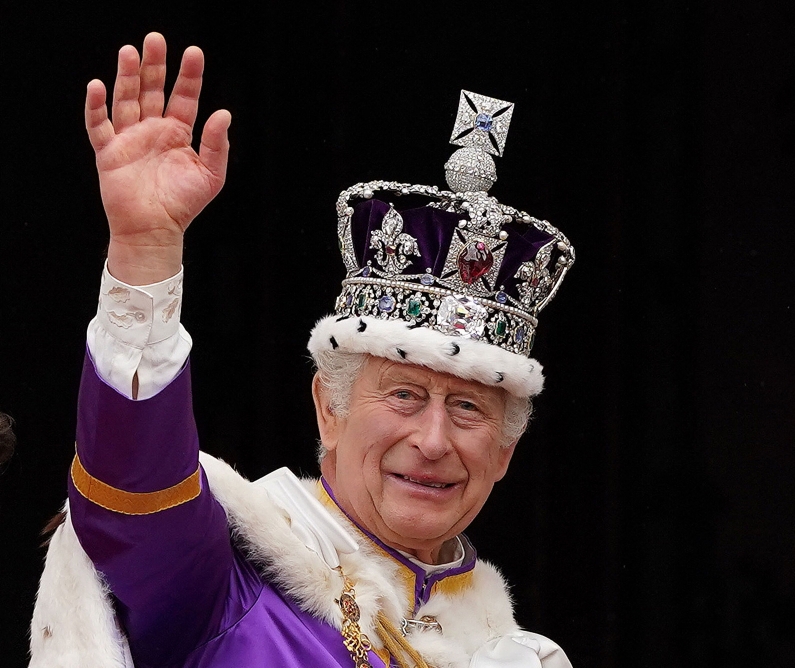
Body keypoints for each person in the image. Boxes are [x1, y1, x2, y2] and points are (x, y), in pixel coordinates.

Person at [30, 33, 574, 668]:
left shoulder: (507, 651)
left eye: (468, 408)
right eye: (403, 394)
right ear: (328, 408)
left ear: (505, 451)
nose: (433, 440)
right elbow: (132, 483)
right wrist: (145, 255)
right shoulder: (227, 582)